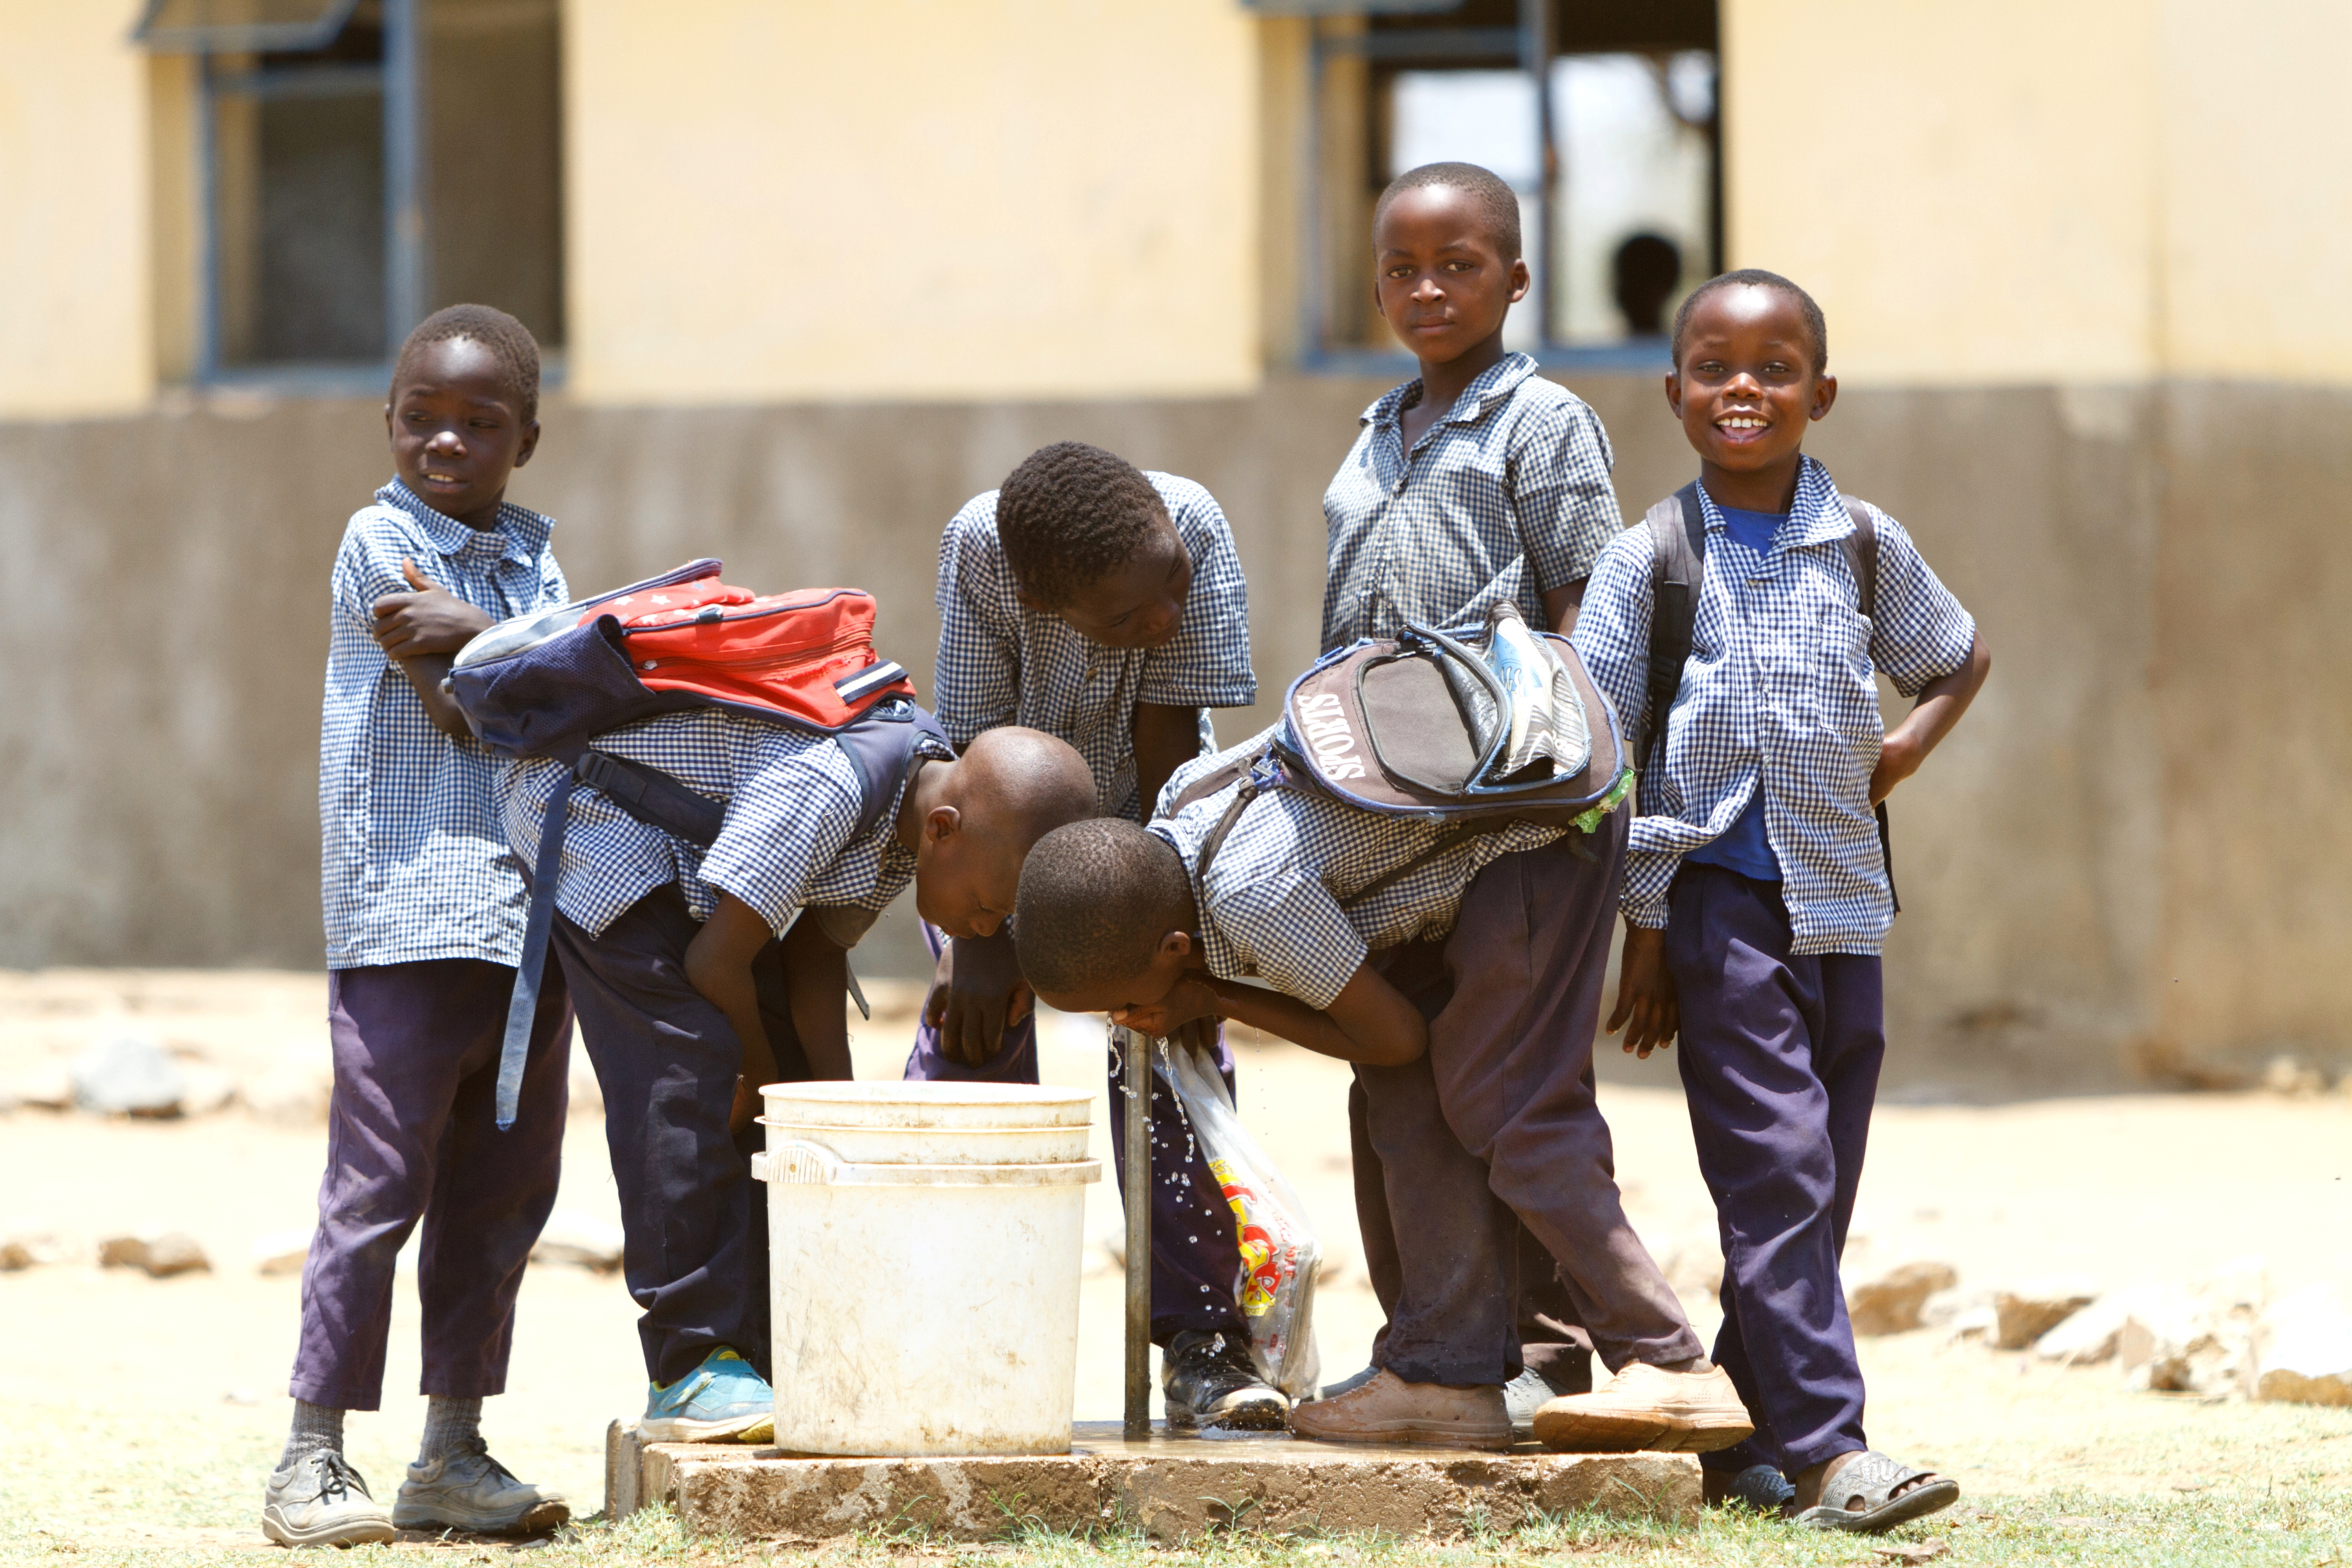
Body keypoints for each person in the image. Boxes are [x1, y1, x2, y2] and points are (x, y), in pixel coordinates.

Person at [1011, 731, 1751, 1453]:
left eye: (1121, 1000)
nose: (1122, 1020)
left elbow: (1394, 1032)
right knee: (1399, 1097)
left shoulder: (1250, 896)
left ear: (1174, 951)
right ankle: (1444, 1373)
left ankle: (1669, 1360)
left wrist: (1215, 997)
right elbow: (1393, 1053)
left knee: (1509, 1107)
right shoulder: (1181, 813)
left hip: (1543, 836)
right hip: (1470, 844)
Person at [1572, 268, 1990, 1530]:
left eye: (1772, 366)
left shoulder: (1862, 539)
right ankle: (1830, 1454)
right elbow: (1608, 753)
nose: (1742, 386)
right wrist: (1646, 926)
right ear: (1675, 392)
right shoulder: (1650, 559)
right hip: (1718, 906)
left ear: (1822, 391)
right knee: (1777, 1169)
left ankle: (1734, 1431)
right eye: (1714, 365)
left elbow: (1958, 654)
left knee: (1821, 1178)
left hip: (1846, 904)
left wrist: (1907, 747)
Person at [502, 695, 1095, 1445]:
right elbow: (714, 960)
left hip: (687, 857)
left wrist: (836, 1126)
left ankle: (760, 1351)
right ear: (944, 832)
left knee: (777, 1078)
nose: (982, 931)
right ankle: (689, 1362)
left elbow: (813, 966)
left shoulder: (912, 815)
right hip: (595, 820)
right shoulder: (836, 789)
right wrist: (754, 1072)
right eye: (986, 907)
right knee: (691, 1069)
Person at [1317, 160, 1627, 1429]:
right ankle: (1444, 1351)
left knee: (1500, 1079)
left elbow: (1585, 617)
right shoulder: (1374, 432)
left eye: (1459, 265)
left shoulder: (1539, 422)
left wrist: (1576, 807)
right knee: (1404, 1064)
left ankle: (1528, 1361)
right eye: (1402, 267)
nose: (1428, 288)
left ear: (1517, 277)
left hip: (1503, 814)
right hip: (1384, 813)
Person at [270, 305, 575, 1549]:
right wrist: (545, 661)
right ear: (387, 423)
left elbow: (565, 698)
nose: (445, 441)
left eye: (479, 423)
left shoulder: (536, 561)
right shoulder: (376, 541)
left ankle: (451, 1453)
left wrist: (532, 655)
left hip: (530, 920)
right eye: (420, 418)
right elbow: (481, 710)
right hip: (410, 913)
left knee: (502, 1194)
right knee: (376, 1189)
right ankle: (309, 1456)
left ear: (527, 440)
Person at [911, 441, 1279, 1427]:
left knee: (1174, 1058)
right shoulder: (982, 553)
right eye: (1127, 620)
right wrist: (986, 947)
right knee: (972, 1047)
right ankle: (963, 1342)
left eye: (1172, 595)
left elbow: (1170, 748)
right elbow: (974, 743)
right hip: (1002, 838)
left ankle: (1204, 1342)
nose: (1162, 620)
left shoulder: (1188, 525)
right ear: (1050, 611)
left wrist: (1165, 932)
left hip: (1148, 824)